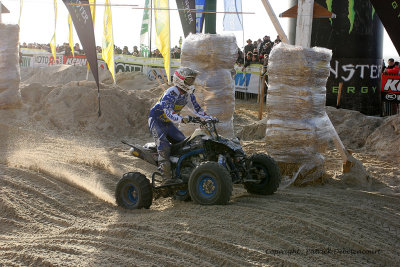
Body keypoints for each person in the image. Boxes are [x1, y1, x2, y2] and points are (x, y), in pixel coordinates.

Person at [148, 67, 216, 184]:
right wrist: (181, 119)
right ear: (180, 80)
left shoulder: (188, 95)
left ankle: (181, 170)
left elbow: (197, 109)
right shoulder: (171, 92)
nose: (191, 83)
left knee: (184, 144)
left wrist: (209, 118)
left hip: (168, 123)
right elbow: (168, 110)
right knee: (163, 147)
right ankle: (166, 179)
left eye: (192, 81)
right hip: (156, 120)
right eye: (189, 80)